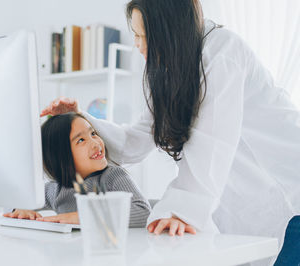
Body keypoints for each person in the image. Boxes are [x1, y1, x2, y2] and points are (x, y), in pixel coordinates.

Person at [40, 0, 300, 264]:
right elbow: (135, 142)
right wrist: (82, 117)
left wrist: (182, 211)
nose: (138, 45)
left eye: (144, 36)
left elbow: (212, 143)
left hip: (289, 197)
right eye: (136, 35)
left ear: (170, 32)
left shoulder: (223, 52)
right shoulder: (172, 72)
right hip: (244, 207)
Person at [4, 112, 151, 228]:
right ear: (61, 156)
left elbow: (143, 212)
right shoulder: (55, 189)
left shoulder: (113, 177)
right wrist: (21, 209)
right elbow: (22, 200)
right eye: (81, 140)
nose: (96, 143)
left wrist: (82, 216)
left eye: (93, 133)